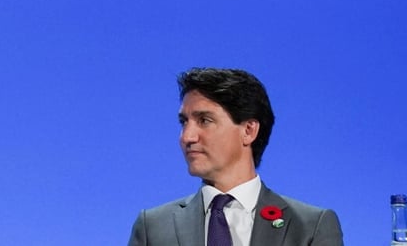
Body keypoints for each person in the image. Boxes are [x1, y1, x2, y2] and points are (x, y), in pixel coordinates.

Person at [127, 68, 343, 246]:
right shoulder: (153, 227)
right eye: (184, 122)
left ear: (248, 130)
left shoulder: (310, 227)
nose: (187, 136)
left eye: (205, 120)